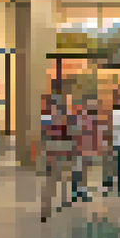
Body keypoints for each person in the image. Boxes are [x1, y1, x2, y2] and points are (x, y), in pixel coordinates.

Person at [39, 93, 78, 223]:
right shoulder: (64, 120)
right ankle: (48, 207)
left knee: (55, 180)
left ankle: (49, 207)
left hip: (56, 150)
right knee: (55, 180)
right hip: (57, 150)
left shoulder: (48, 121)